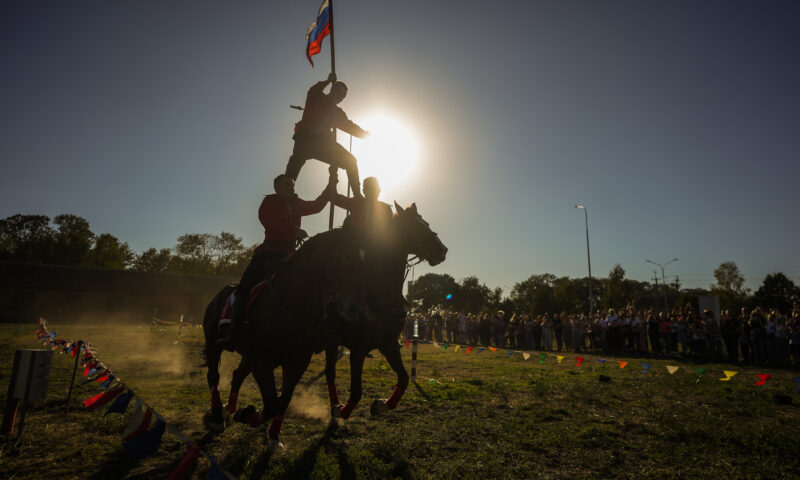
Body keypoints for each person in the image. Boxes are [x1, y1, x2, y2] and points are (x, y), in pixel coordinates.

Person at [217, 173, 334, 351]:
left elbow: (317, 206)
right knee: (244, 288)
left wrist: (331, 185)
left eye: (293, 185)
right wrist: (294, 230)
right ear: (277, 187)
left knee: (316, 285)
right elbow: (268, 222)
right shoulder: (269, 202)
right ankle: (234, 331)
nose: (292, 187)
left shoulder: (297, 203)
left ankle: (317, 332)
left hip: (290, 256)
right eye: (287, 184)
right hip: (268, 254)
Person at [285, 73, 370, 196]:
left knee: (350, 161)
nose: (341, 97)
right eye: (340, 93)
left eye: (343, 96)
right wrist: (328, 81)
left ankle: (357, 195)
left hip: (322, 143)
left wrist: (365, 135)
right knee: (296, 162)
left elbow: (349, 126)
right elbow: (313, 90)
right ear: (333, 89)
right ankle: (284, 191)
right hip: (305, 138)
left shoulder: (337, 113)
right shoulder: (317, 97)